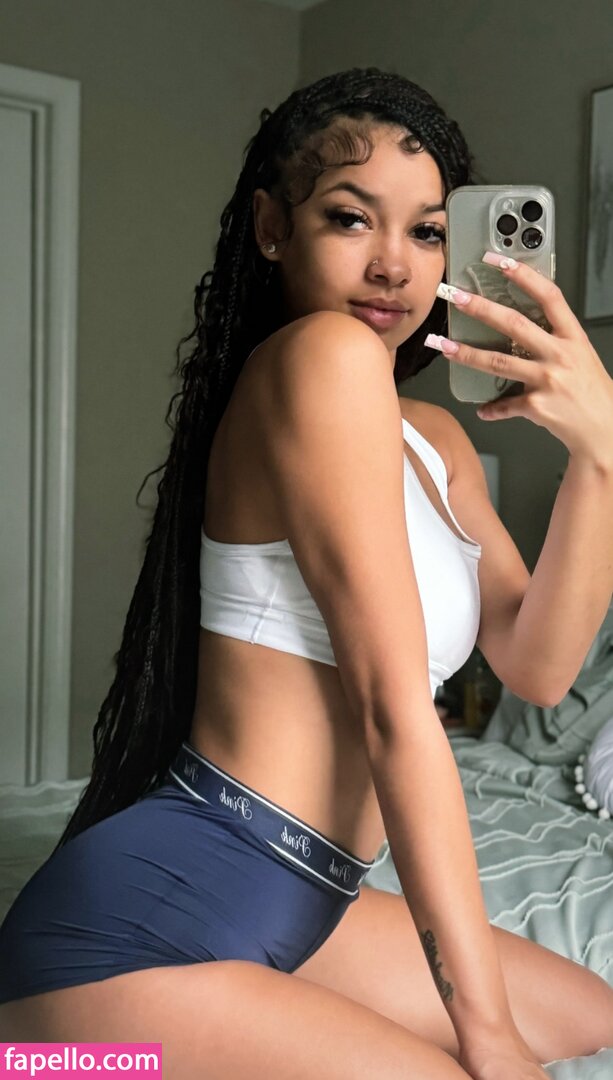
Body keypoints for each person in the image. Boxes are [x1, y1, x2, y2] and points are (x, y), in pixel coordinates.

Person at [0, 66, 612, 1080]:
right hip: (131, 942)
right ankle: (31, 1055)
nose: (392, 265)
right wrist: (486, 1034)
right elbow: (391, 707)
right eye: (349, 218)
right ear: (272, 227)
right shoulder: (318, 358)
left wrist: (599, 453)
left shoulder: (435, 441)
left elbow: (539, 671)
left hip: (302, 902)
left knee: (595, 1023)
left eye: (426, 231)